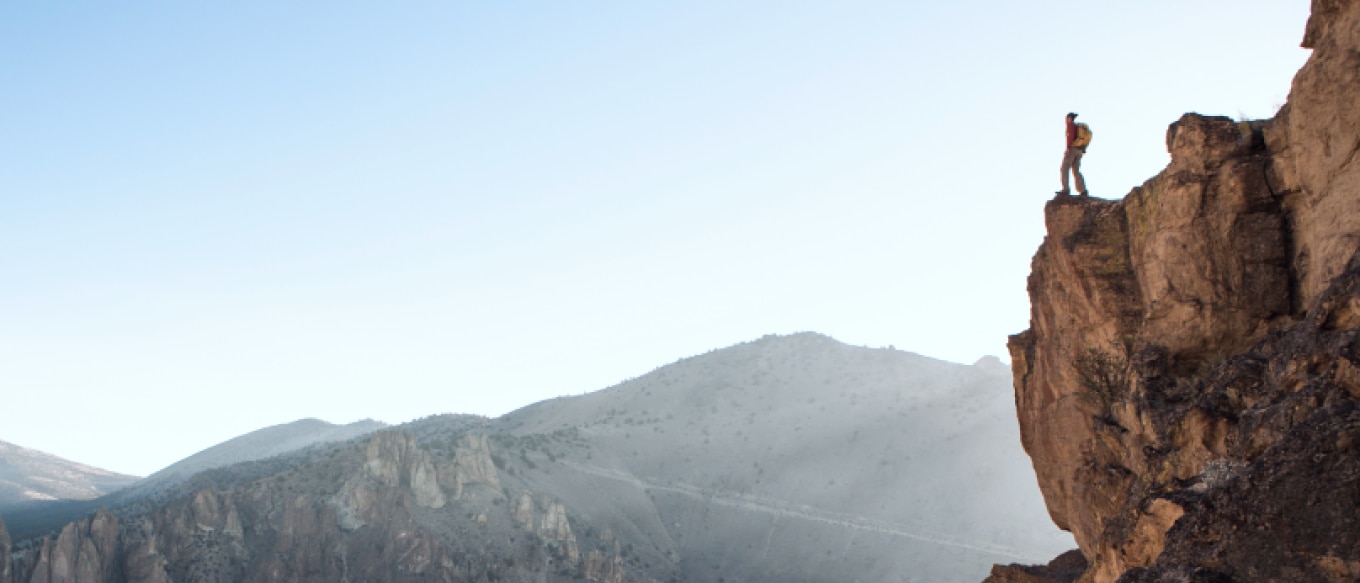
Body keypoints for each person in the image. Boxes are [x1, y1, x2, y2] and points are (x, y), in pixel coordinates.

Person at [1058, 112, 1089, 197]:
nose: (1065, 120)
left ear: (1069, 118)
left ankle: (1065, 190)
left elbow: (1070, 138)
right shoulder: (1077, 127)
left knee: (1064, 168)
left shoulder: (1070, 126)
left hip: (1072, 150)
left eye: (1066, 118)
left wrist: (1068, 149)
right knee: (1076, 171)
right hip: (1079, 151)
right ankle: (1083, 190)